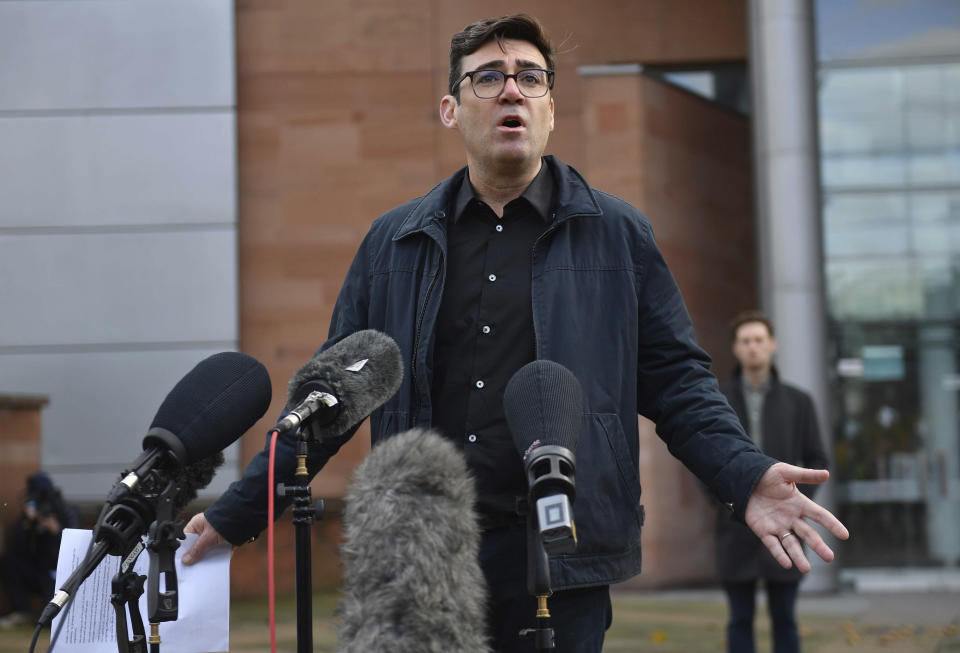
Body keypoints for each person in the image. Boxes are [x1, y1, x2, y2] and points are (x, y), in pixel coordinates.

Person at [182, 14, 849, 652]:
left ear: (551, 110)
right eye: (489, 76)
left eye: (531, 78)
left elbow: (678, 385)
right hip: (423, 557)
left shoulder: (618, 237)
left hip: (559, 556)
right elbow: (331, 401)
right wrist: (238, 511)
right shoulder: (393, 244)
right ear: (452, 109)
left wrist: (746, 473)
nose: (512, 90)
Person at [716, 311, 830, 653]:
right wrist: (729, 503)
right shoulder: (716, 400)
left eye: (759, 340)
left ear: (772, 345)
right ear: (735, 348)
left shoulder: (799, 401)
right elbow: (702, 464)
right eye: (746, 341)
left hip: (786, 527)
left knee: (785, 620)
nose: (753, 348)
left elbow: (817, 459)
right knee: (739, 619)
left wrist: (793, 502)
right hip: (734, 525)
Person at [0, 472, 78, 629]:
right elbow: (17, 549)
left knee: (51, 621)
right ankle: (21, 612)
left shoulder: (66, 511)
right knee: (6, 561)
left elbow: (77, 547)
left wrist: (56, 530)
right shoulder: (30, 515)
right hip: (37, 571)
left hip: (60, 573)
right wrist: (27, 525)